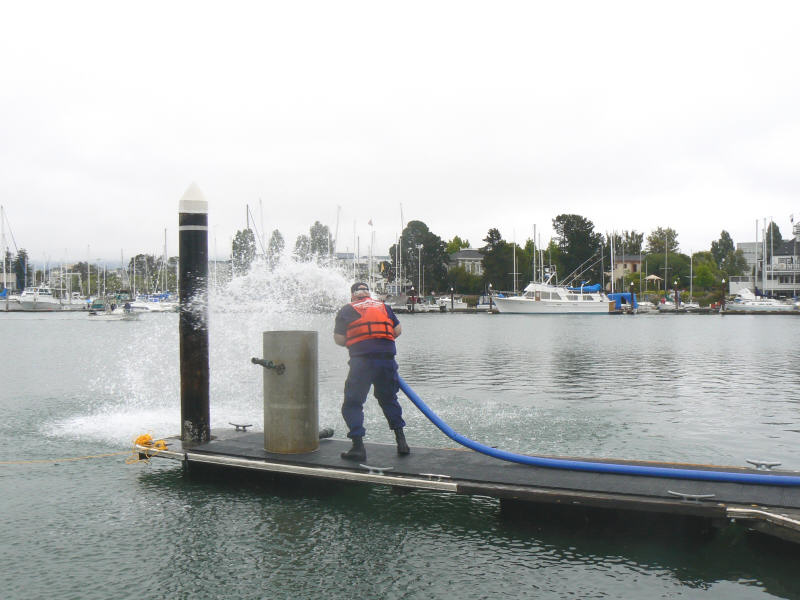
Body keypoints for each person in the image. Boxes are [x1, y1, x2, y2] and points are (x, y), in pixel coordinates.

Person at [334, 282, 409, 461]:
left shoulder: (347, 309)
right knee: (389, 399)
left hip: (362, 362)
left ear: (353, 295)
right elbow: (397, 330)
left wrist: (357, 340)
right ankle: (402, 443)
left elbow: (339, 339)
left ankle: (358, 448)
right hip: (387, 360)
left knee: (352, 404)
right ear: (368, 294)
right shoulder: (383, 307)